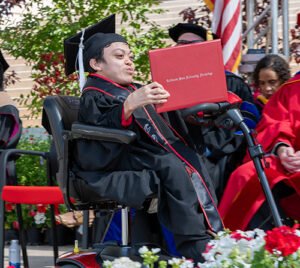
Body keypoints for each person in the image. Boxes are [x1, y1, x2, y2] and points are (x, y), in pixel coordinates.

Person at [63, 16, 224, 263]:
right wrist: (128, 106)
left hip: (137, 156)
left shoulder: (133, 89)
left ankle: (207, 235)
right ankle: (193, 242)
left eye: (129, 56)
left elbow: (164, 128)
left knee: (191, 157)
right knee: (170, 164)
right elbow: (94, 143)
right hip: (106, 167)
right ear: (95, 63)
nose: (128, 61)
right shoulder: (94, 94)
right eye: (119, 56)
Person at [168, 23, 259, 199]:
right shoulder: (168, 85)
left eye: (193, 45)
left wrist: (208, 150)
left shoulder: (231, 84)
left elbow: (244, 127)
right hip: (175, 154)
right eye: (182, 43)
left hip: (217, 156)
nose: (186, 49)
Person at [218, 71, 300, 231]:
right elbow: (276, 121)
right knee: (248, 174)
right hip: (291, 161)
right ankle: (269, 242)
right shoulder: (292, 88)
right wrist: (282, 147)